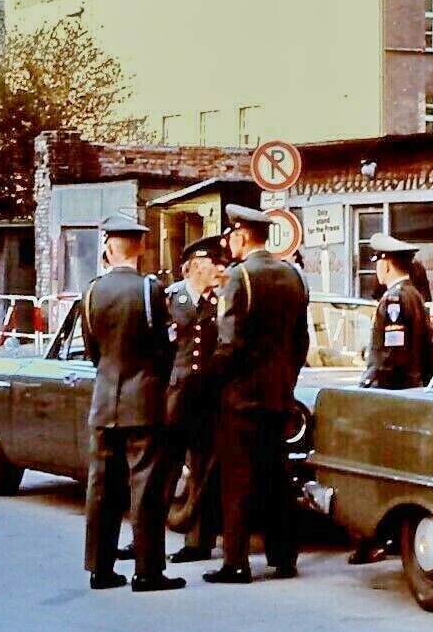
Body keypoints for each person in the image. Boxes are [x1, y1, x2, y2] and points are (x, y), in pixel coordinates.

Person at [204, 205, 309, 585]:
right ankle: (284, 557)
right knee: (277, 477)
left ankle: (236, 561)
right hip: (279, 397)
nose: (229, 243)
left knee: (238, 480)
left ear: (242, 236)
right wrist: (286, 382)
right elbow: (301, 341)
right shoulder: (292, 276)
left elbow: (228, 344)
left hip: (241, 399)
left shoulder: (239, 278)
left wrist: (213, 386)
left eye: (231, 236)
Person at [80, 216, 183, 593]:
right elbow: (165, 346)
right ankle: (147, 570)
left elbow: (92, 350)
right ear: (139, 247)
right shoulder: (150, 289)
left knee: (102, 487)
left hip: (105, 399)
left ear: (108, 248)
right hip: (144, 400)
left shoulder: (91, 292)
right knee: (146, 487)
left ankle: (100, 568)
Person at [163, 235, 229, 565]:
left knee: (203, 469)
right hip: (175, 396)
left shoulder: (219, 303)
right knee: (165, 467)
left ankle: (198, 541)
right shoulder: (170, 299)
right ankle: (145, 536)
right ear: (195, 267)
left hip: (207, 398)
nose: (219, 269)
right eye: (213, 264)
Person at [362, 234, 433, 389]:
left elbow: (391, 353)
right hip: (413, 385)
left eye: (378, 263)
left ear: (386, 264)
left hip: (392, 389)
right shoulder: (414, 294)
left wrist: (370, 382)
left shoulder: (393, 299)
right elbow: (428, 347)